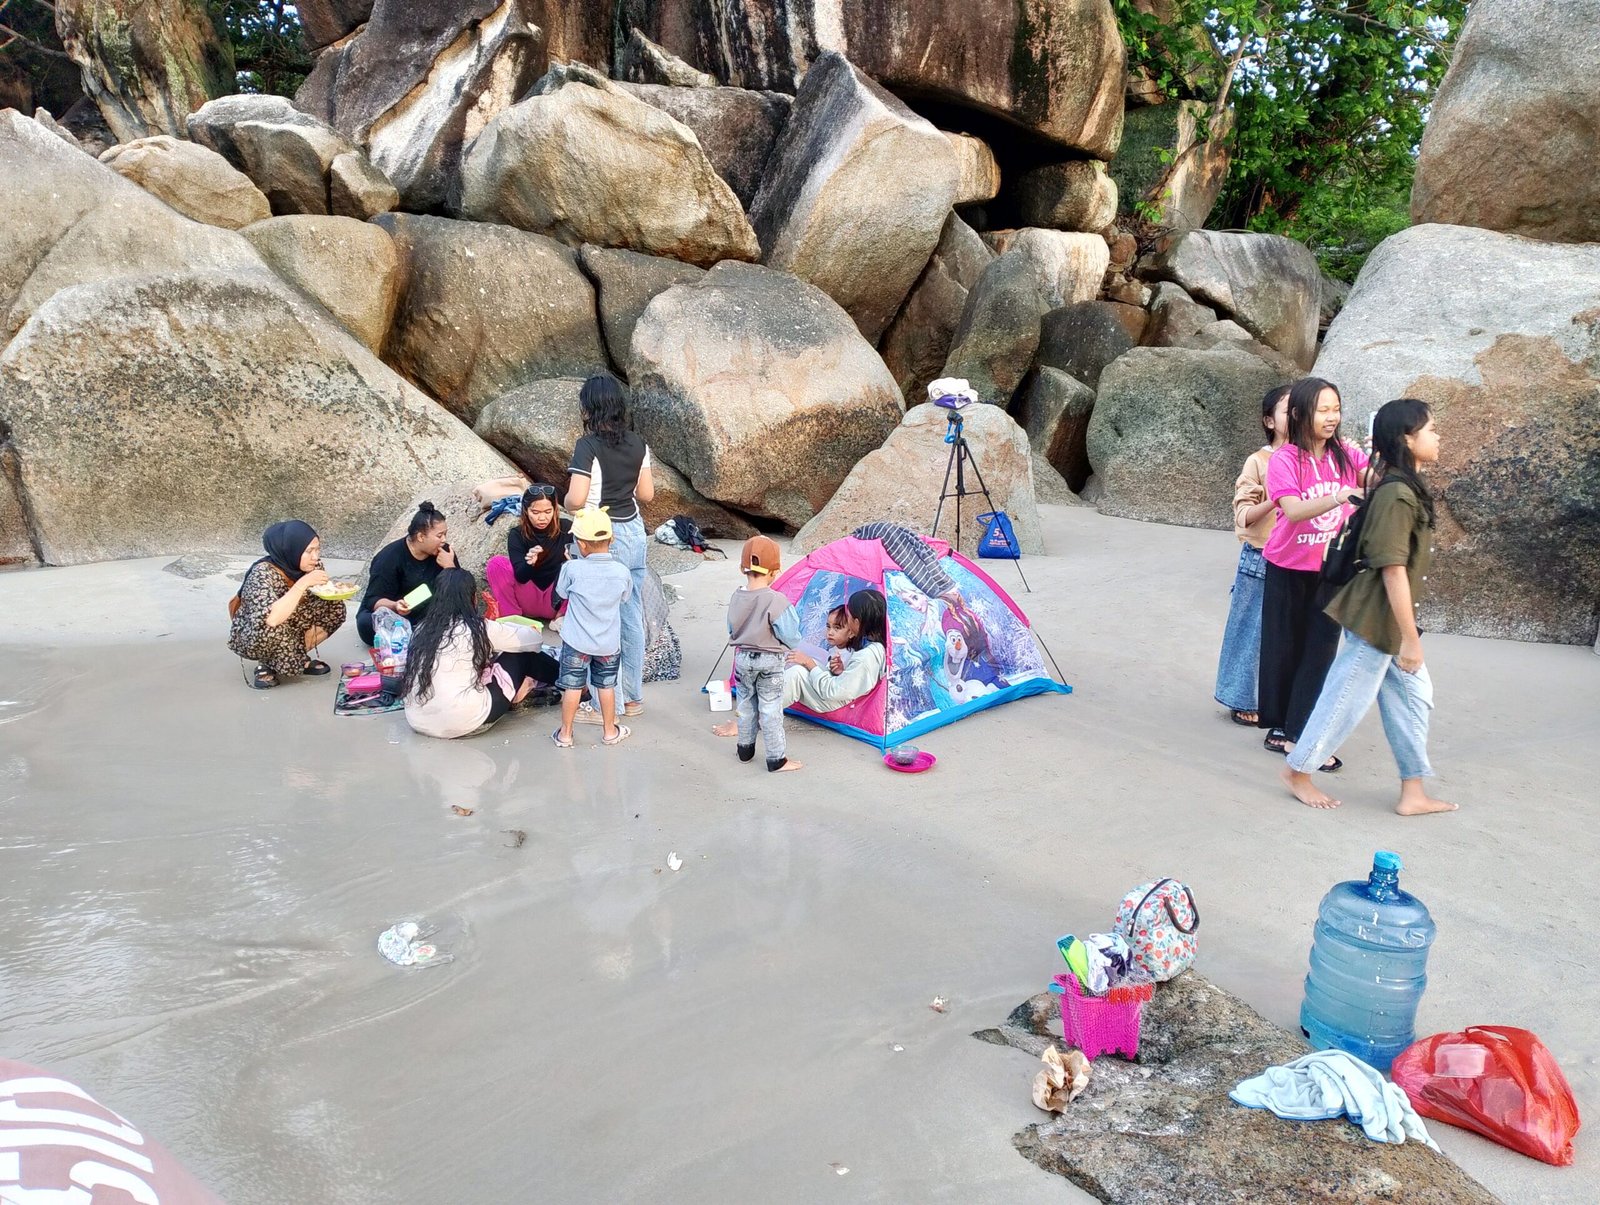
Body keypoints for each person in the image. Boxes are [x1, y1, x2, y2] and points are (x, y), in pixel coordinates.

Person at [1281, 400, 1457, 815]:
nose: (1438, 437)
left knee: (1413, 699)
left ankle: (1413, 790)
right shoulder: (1396, 494)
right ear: (1407, 439)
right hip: (1376, 620)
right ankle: (1298, 771)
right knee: (1345, 699)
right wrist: (1410, 639)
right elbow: (1392, 569)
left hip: (1389, 619)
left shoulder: (1402, 486)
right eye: (1431, 430)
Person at [1258, 377, 1370, 769]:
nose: (1332, 417)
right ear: (1301, 413)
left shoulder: (1346, 453)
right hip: (1287, 566)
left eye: (1336, 409)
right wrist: (1339, 496)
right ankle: (1283, 726)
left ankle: (1299, 732)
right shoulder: (1285, 459)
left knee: (1320, 653)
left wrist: (1377, 457)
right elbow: (1292, 510)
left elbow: (1374, 480)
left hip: (1332, 569)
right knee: (1283, 649)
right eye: (1323, 410)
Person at [566, 374, 653, 719]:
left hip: (599, 535)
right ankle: (632, 698)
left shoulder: (587, 446)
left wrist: (566, 504)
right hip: (633, 530)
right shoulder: (638, 443)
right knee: (630, 615)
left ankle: (606, 705)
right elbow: (646, 494)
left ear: (589, 408)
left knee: (600, 620)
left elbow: (576, 499)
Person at [400, 569, 558, 739]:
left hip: (417, 720)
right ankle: (569, 682)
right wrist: (505, 628)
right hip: (465, 721)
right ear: (473, 598)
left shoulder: (420, 629)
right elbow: (534, 640)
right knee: (523, 655)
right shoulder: (477, 628)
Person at [1214, 386, 1291, 725]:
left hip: (1300, 558)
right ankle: (1241, 696)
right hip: (1261, 557)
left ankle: (1282, 698)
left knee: (1288, 633)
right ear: (1269, 421)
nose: (1298, 415)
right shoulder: (1259, 461)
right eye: (1288, 410)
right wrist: (1278, 498)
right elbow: (1243, 515)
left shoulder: (1313, 459)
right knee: (1250, 632)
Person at [228, 520, 347, 689]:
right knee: (273, 622)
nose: (315, 557)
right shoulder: (262, 574)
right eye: (309, 551)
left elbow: (321, 595)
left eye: (317, 549)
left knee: (335, 608)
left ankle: (296, 656)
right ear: (291, 550)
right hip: (256, 633)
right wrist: (303, 583)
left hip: (292, 621)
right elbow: (272, 619)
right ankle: (266, 662)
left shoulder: (311, 566)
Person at [551, 507, 634, 748]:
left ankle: (565, 734)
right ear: (612, 539)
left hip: (576, 641)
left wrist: (571, 565)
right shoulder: (621, 571)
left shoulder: (572, 569)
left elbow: (561, 593)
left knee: (572, 687)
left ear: (581, 544)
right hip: (608, 642)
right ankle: (609, 731)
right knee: (606, 686)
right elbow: (625, 597)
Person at [724, 535, 803, 772]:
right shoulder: (776, 600)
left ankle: (745, 750)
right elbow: (791, 636)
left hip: (742, 658)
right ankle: (776, 759)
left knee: (746, 704)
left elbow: (731, 628)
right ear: (774, 572)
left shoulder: (736, 597)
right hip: (769, 661)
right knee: (770, 709)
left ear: (742, 569)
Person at [357, 501, 457, 647]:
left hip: (428, 612)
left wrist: (450, 567)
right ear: (421, 537)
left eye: (445, 534)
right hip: (396, 613)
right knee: (367, 624)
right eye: (439, 535)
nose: (444, 540)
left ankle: (421, 634)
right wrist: (396, 605)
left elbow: (462, 591)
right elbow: (373, 600)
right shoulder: (389, 557)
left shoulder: (445, 552)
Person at [782, 589, 888, 713]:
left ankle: (767, 710)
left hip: (834, 698)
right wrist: (841, 672)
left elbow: (833, 692)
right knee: (803, 668)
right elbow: (851, 681)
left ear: (856, 622)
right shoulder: (873, 646)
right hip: (839, 691)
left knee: (797, 674)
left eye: (848, 616)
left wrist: (809, 663)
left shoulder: (866, 657)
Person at [485, 483, 572, 622]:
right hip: (528, 597)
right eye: (535, 512)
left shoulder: (567, 528)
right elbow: (521, 577)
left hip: (556, 600)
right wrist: (529, 563)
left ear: (555, 509)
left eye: (548, 512)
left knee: (580, 566)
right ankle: (512, 619)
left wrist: (572, 562)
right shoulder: (517, 534)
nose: (542, 518)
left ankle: (562, 618)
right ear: (526, 510)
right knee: (496, 564)